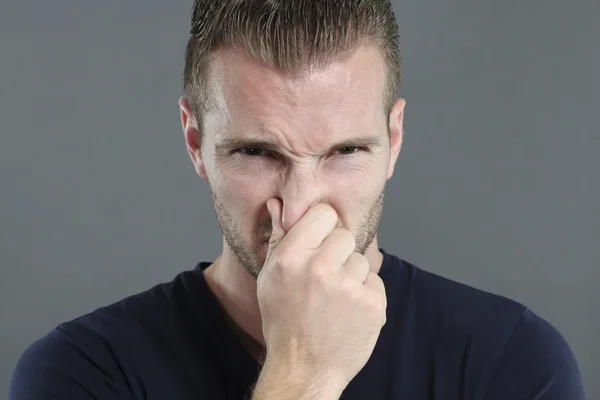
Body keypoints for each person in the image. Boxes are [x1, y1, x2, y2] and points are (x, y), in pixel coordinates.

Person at [10, 1, 585, 399]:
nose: (305, 206)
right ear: (195, 142)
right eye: (258, 153)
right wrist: (303, 375)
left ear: (395, 141)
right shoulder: (83, 372)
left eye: (347, 151)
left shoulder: (508, 358)